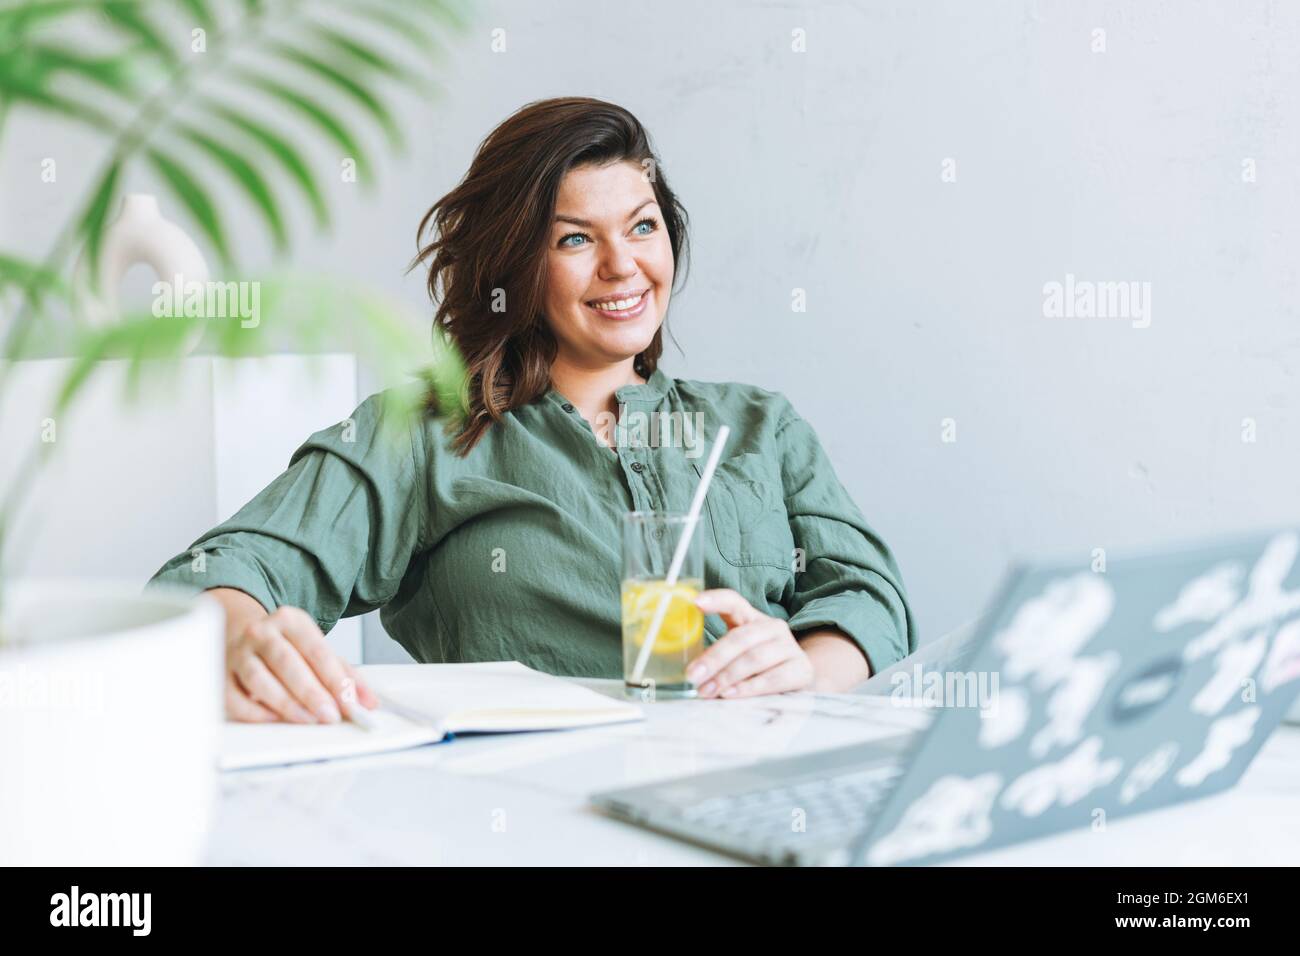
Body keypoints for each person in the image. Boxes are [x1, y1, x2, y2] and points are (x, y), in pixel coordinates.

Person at [147, 97, 916, 724]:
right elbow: (215, 574)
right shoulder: (425, 432)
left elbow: (870, 597)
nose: (624, 265)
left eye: (643, 226)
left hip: (762, 792)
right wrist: (245, 638)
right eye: (576, 238)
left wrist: (806, 669)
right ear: (513, 265)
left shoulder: (758, 427)